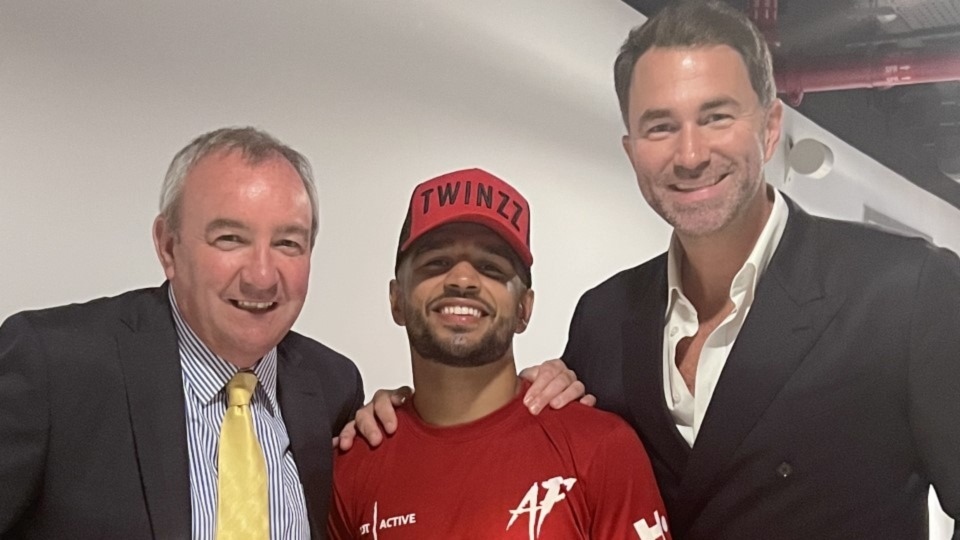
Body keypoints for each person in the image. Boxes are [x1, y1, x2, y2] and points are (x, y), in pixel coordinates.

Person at [346, 2, 960, 539]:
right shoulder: (605, 317)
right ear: (631, 149)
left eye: (716, 117)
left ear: (770, 128)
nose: (690, 154)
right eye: (660, 126)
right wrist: (407, 412)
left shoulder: (905, 289)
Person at [0, 127, 364, 539]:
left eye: (287, 243)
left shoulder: (333, 387)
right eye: (230, 239)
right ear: (168, 248)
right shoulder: (54, 365)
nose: (262, 276)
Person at [327, 168, 671, 540]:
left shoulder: (601, 448)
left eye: (491, 267)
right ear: (396, 300)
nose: (462, 280)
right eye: (436, 262)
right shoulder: (352, 464)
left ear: (524, 308)